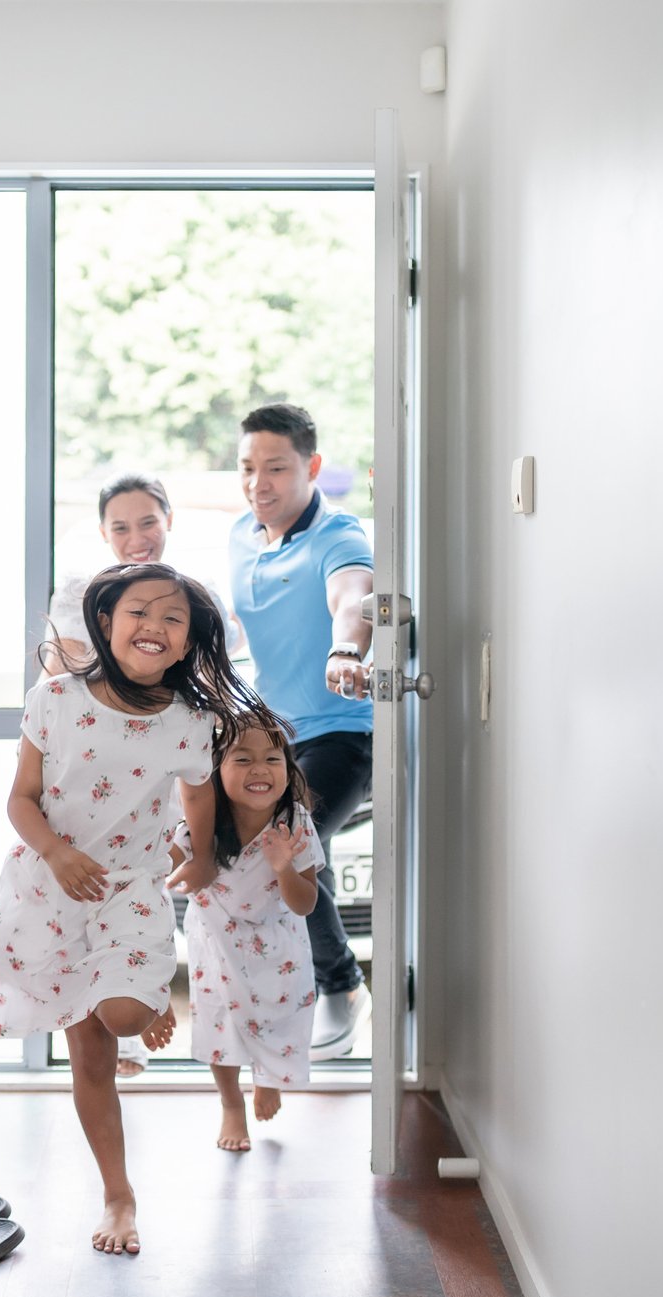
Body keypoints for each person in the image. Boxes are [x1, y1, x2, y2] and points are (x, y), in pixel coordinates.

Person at [0, 562, 255, 1255]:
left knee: (124, 1015)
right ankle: (118, 1195)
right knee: (92, 1057)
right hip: (53, 885)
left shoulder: (191, 721)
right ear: (106, 621)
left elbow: (198, 797)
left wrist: (201, 856)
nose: (154, 626)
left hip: (129, 887)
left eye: (172, 618)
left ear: (189, 640)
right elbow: (21, 798)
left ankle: (143, 993)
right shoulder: (54, 698)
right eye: (139, 611)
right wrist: (56, 852)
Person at [44, 473, 238, 1076]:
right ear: (103, 532)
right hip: (91, 771)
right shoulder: (86, 596)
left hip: (163, 763)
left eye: (148, 522)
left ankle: (143, 996)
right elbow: (63, 668)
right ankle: (122, 1023)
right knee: (85, 905)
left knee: (147, 886)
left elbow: (218, 676)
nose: (137, 537)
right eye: (121, 526)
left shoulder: (191, 597)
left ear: (169, 520)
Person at [216, 403, 376, 1059]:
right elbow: (241, 626)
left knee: (282, 840)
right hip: (272, 737)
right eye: (247, 468)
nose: (259, 483)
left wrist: (347, 650)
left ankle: (341, 986)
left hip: (342, 732)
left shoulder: (337, 535)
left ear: (312, 468)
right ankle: (314, 989)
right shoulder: (241, 535)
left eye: (276, 468)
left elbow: (353, 596)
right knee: (298, 846)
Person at [174, 709, 322, 1151]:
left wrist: (284, 868)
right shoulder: (201, 821)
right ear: (214, 771)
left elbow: (306, 903)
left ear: (287, 769)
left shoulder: (295, 821)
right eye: (242, 759)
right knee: (219, 1024)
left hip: (279, 944)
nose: (260, 769)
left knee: (281, 1016)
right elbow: (163, 865)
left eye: (272, 759)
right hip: (215, 943)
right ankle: (231, 1104)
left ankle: (270, 1076)